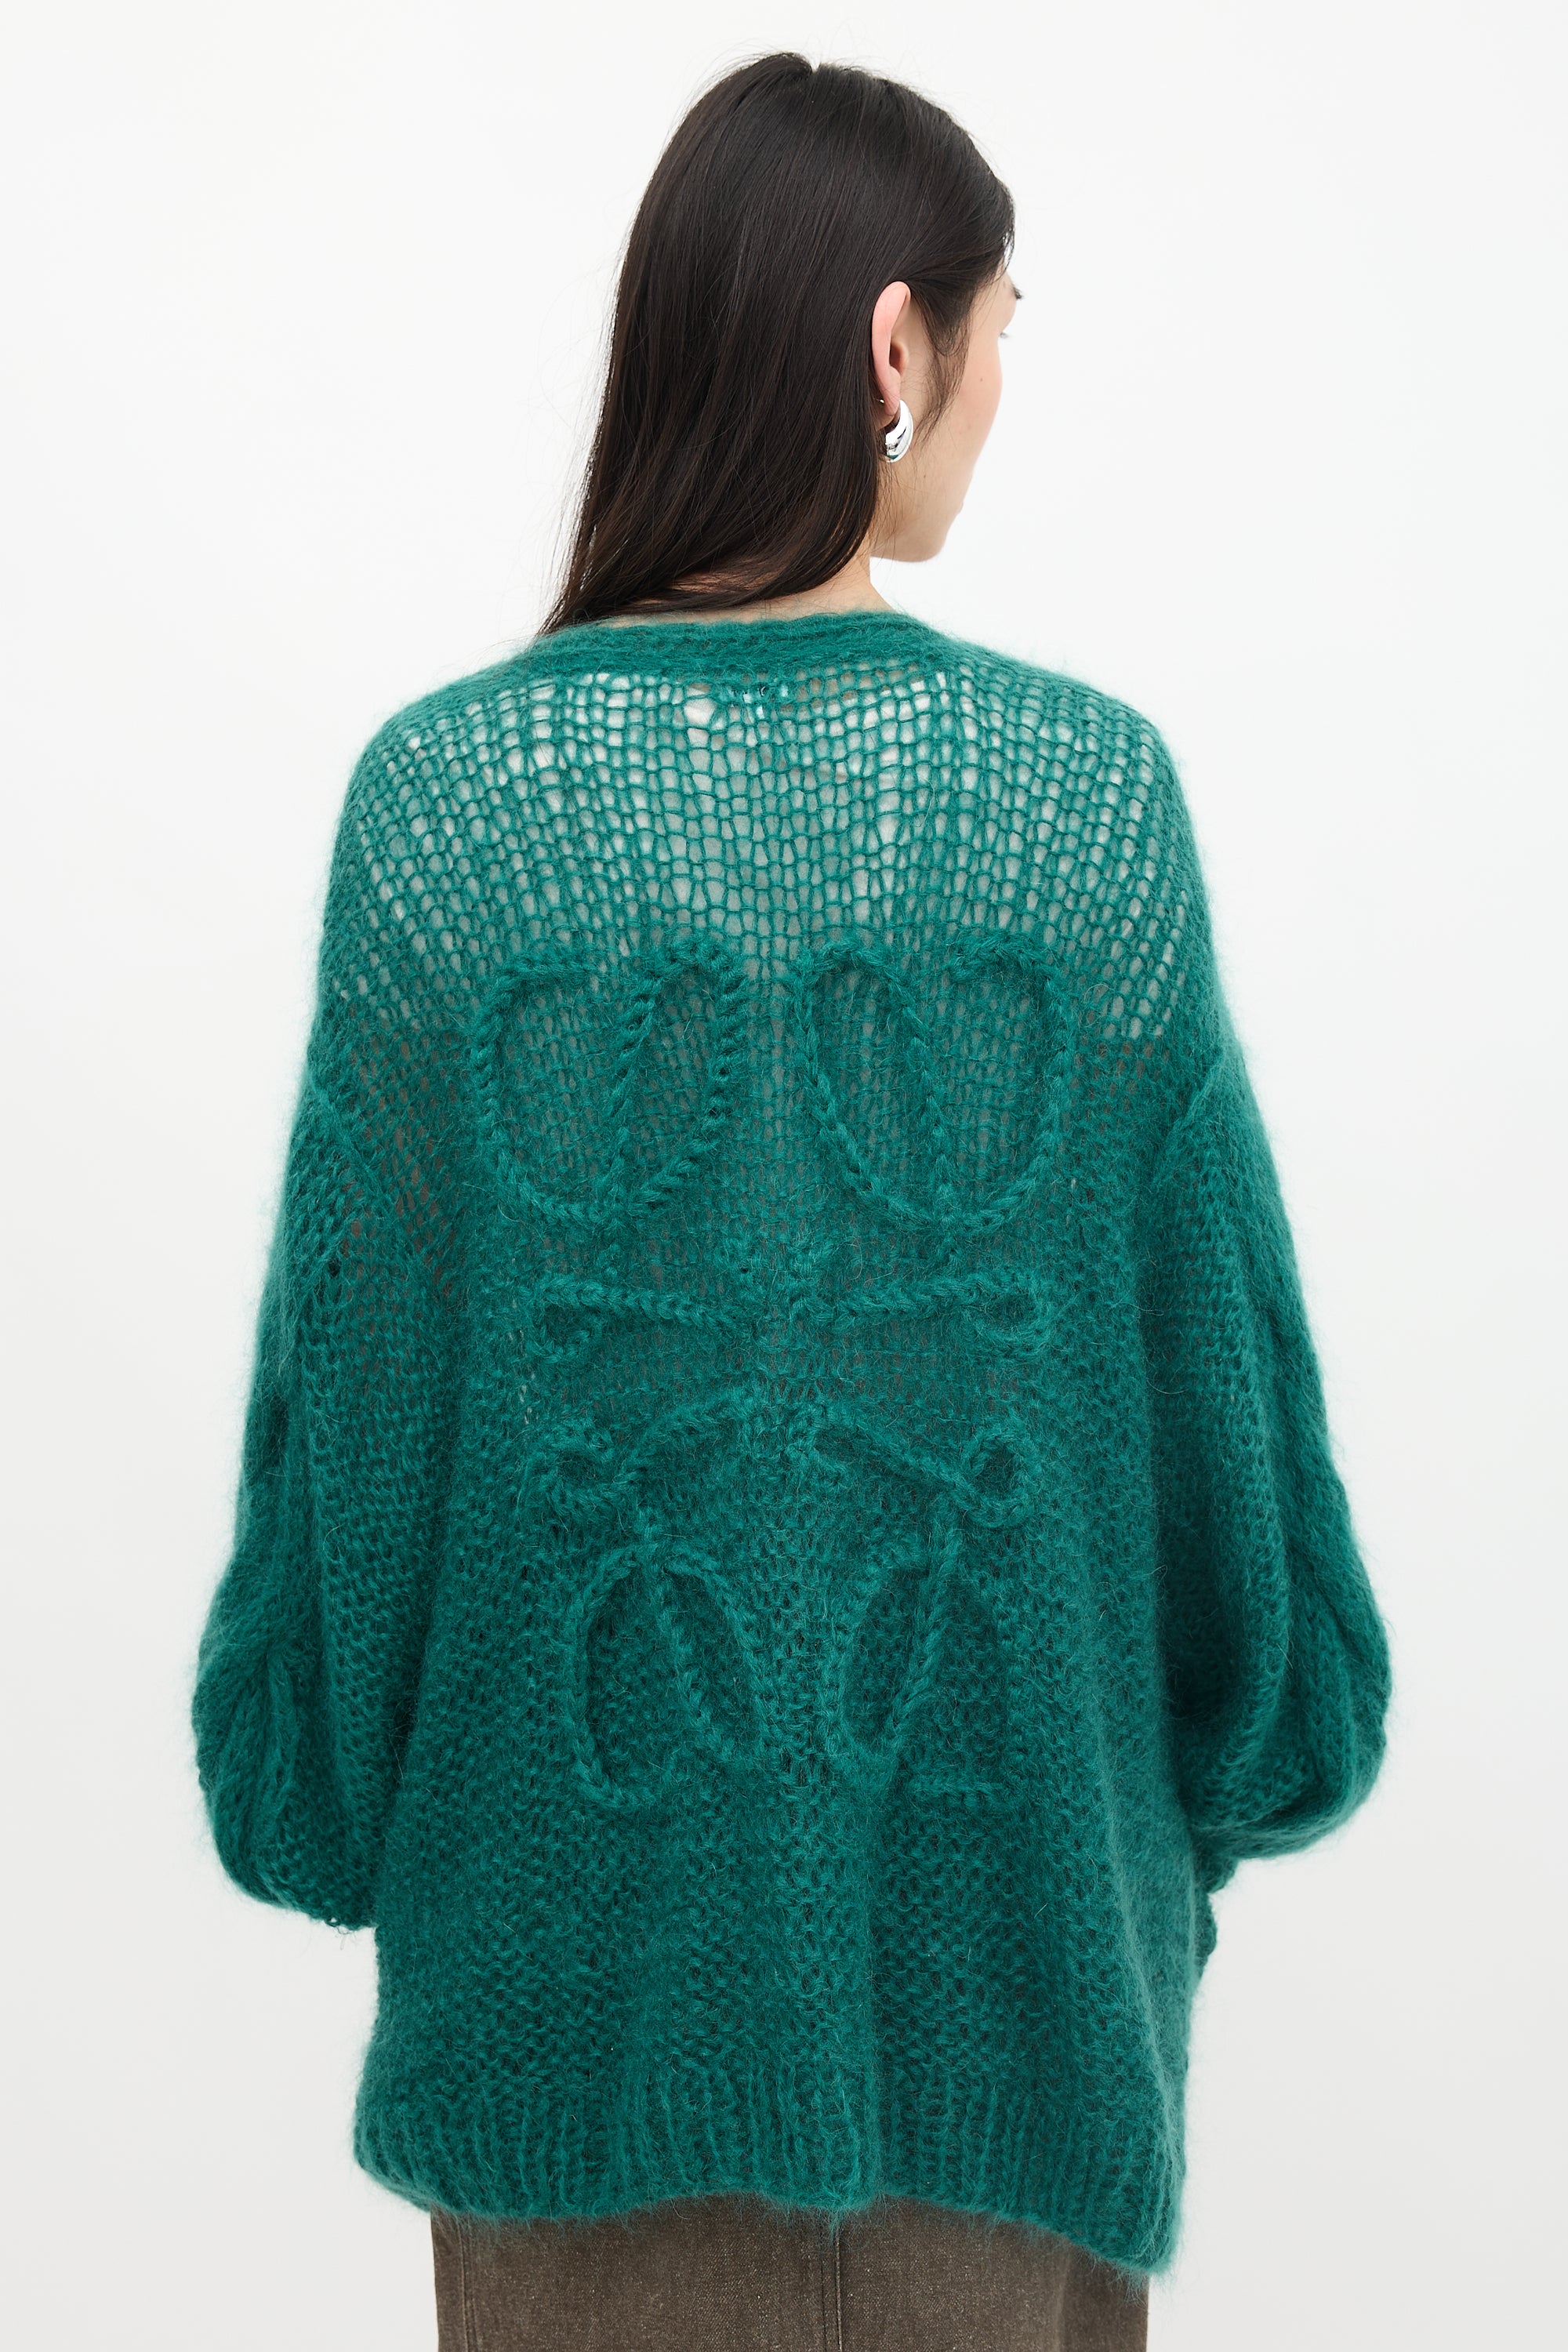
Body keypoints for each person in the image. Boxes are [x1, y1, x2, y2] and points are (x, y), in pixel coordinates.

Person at [190, 51, 1393, 2352]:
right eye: (1003, 327)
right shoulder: (1089, 815)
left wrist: (325, 1796)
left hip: (568, 2083)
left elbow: (335, 1583)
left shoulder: (443, 819)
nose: (1001, 387)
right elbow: (1251, 1567)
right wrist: (1229, 1767)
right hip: (1020, 2070)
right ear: (892, 342)